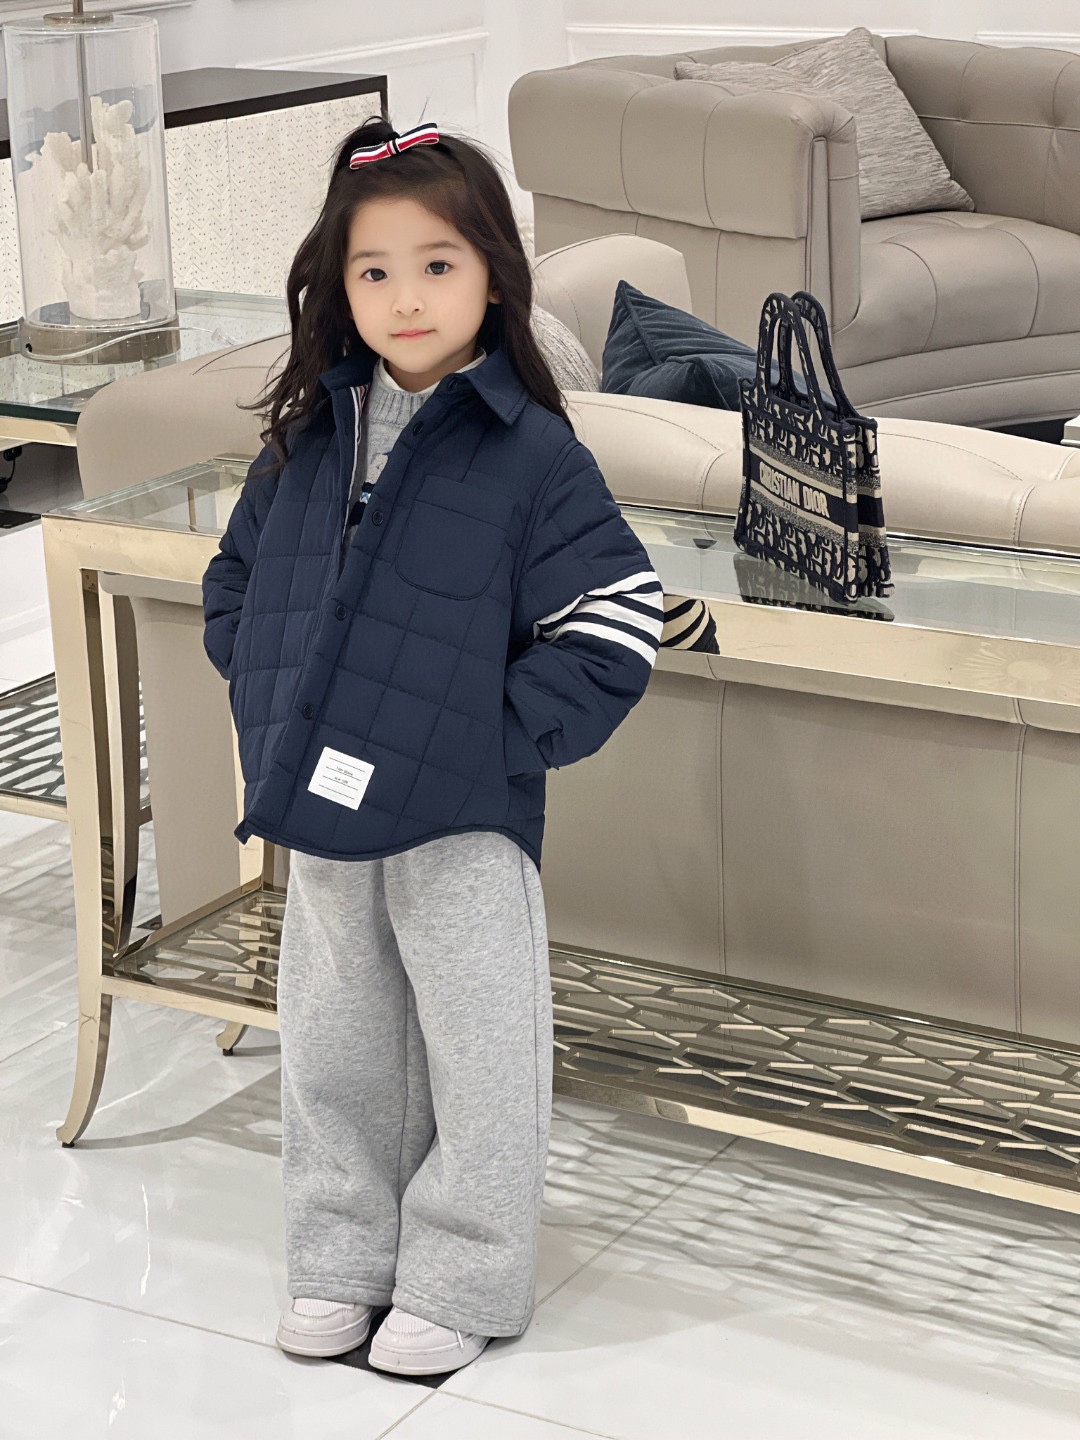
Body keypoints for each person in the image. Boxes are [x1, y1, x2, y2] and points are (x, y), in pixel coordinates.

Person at [201, 115, 664, 1377]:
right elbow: (235, 585)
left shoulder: (533, 454)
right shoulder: (306, 439)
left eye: (438, 265)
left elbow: (617, 623)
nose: (406, 298)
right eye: (374, 270)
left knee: (479, 1051)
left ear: (494, 277)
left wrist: (492, 740)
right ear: (339, 287)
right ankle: (341, 1257)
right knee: (336, 1041)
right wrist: (271, 690)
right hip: (321, 802)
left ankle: (462, 1275)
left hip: (463, 815)